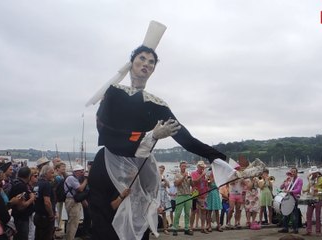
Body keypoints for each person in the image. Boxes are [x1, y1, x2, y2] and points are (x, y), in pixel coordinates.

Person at [88, 45, 227, 240]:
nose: (146, 64)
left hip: (139, 170)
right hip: (108, 165)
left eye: (151, 62)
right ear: (132, 63)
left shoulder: (157, 104)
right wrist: (150, 136)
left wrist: (218, 157)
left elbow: (185, 138)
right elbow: (104, 128)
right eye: (142, 58)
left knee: (139, 221)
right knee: (104, 223)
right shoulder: (113, 92)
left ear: (153, 70)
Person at [8, 166, 36, 240]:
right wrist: (32, 199)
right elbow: (21, 207)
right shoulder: (21, 186)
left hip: (18, 217)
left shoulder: (16, 182)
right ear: (29, 176)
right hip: (21, 219)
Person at [302, 167, 322, 236]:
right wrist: (305, 190)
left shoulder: (321, 179)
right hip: (311, 198)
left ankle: (318, 231)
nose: (313, 174)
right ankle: (309, 230)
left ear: (317, 173)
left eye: (314, 173)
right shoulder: (311, 179)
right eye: (312, 173)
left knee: (318, 216)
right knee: (308, 215)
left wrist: (318, 190)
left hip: (318, 198)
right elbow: (309, 187)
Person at [64, 164, 88, 240]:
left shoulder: (73, 178)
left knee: (72, 222)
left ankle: (69, 237)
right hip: (72, 201)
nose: (82, 173)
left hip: (72, 201)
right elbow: (80, 189)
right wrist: (86, 179)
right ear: (76, 172)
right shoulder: (71, 178)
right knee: (73, 223)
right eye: (81, 172)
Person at [278, 167, 303, 234]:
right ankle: (285, 228)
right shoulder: (290, 180)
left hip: (294, 198)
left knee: (294, 214)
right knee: (285, 213)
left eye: (294, 172)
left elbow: (298, 190)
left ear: (296, 172)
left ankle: (295, 229)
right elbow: (281, 187)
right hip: (288, 198)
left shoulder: (299, 180)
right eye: (291, 172)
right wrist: (285, 181)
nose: (292, 173)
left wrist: (290, 191)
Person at [34, 165, 56, 240]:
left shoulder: (37, 183)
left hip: (37, 215)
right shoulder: (46, 184)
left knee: (38, 236)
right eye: (52, 173)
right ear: (46, 173)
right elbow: (47, 202)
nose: (53, 175)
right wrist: (51, 215)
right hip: (45, 217)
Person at [172, 161, 193, 236]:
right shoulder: (177, 175)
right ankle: (175, 228)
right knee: (178, 212)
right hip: (180, 195)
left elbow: (192, 185)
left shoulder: (189, 174)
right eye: (183, 166)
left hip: (188, 195)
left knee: (187, 213)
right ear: (180, 167)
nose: (184, 167)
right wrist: (184, 176)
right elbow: (176, 184)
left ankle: (186, 228)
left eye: (185, 166)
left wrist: (191, 179)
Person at [190, 161, 209, 234]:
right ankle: (191, 227)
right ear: (198, 167)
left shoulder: (205, 175)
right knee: (193, 211)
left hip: (203, 195)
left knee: (203, 211)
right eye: (201, 167)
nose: (202, 168)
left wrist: (208, 183)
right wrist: (202, 175)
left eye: (203, 167)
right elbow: (194, 182)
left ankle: (202, 227)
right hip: (195, 195)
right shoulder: (194, 173)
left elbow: (206, 184)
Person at [158, 165, 170, 235]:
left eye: (162, 170)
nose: (161, 171)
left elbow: (168, 186)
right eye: (160, 169)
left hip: (163, 195)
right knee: (155, 213)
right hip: (157, 195)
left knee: (164, 213)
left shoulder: (164, 176)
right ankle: (154, 229)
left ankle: (165, 229)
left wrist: (165, 180)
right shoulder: (155, 176)